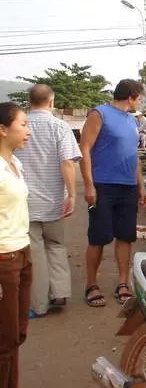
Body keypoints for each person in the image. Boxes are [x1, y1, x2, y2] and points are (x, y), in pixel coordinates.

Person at [80, 79, 146, 308]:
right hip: (103, 186)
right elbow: (85, 149)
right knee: (98, 238)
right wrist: (89, 185)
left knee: (125, 236)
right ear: (131, 96)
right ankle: (91, 284)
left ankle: (122, 283)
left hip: (127, 187)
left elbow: (134, 155)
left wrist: (140, 186)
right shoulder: (99, 114)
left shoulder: (132, 120)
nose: (141, 101)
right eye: (140, 97)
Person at [15, 85, 81, 318]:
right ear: (51, 102)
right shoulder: (60, 126)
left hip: (25, 202)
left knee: (36, 252)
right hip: (54, 200)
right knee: (55, 244)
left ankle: (39, 305)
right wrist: (72, 195)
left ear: (29, 102)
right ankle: (60, 292)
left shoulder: (19, 127)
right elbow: (67, 163)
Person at [0, 102, 31, 388]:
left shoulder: (15, 163)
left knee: (18, 333)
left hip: (23, 252)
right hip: (4, 259)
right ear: (2, 129)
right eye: (22, 125)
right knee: (5, 340)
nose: (28, 132)